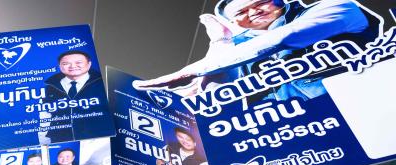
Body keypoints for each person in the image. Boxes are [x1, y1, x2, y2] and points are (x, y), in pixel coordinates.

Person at [134, 0, 381, 102]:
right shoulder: (237, 52)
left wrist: (194, 69)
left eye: (260, 1)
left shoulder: (336, 7)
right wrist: (221, 43)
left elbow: (286, 37)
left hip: (371, 108)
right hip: (307, 135)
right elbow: (213, 94)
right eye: (240, 12)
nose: (253, 12)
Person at [40, 50, 111, 143]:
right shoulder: (50, 86)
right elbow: (45, 114)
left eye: (78, 62)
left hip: (98, 138)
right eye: (66, 63)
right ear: (60, 66)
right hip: (61, 139)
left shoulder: (103, 83)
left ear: (89, 64)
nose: (73, 66)